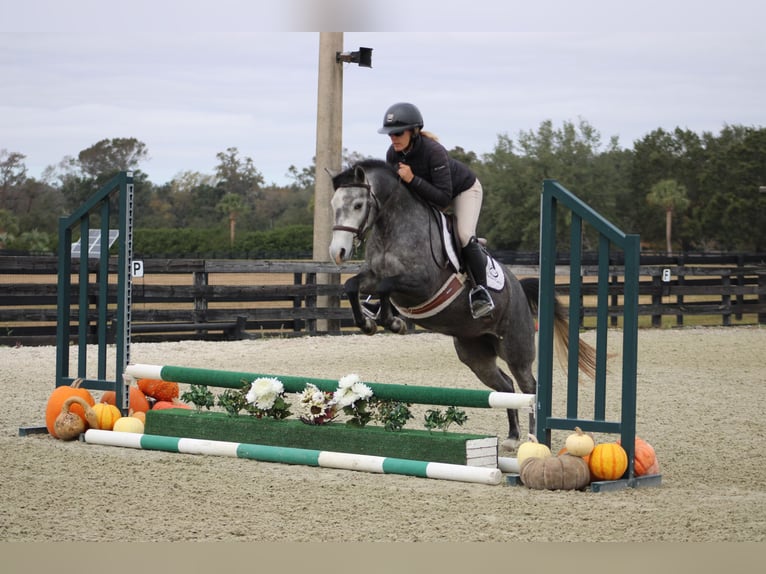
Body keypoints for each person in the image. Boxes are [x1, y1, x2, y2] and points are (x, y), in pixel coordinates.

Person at [377, 102, 495, 318]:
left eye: (397, 133)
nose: (393, 138)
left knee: (464, 234)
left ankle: (481, 291)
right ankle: (387, 296)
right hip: (427, 196)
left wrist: (412, 179)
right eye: (390, 134)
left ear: (413, 131)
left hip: (462, 191)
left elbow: (442, 198)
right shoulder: (392, 155)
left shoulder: (434, 152)